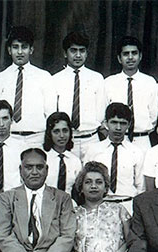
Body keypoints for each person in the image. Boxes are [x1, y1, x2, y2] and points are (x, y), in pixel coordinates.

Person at [0, 26, 55, 148]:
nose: (19, 52)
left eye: (24, 47)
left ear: (31, 49)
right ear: (9, 50)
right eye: (15, 47)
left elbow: (51, 113)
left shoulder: (44, 77)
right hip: (9, 138)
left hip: (37, 139)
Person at [52, 31, 106, 159]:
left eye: (82, 51)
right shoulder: (55, 79)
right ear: (65, 53)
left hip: (91, 139)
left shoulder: (97, 78)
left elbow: (100, 111)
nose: (77, 55)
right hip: (66, 139)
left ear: (87, 53)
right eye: (73, 51)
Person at [83, 103, 144, 215]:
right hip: (100, 204)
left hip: (127, 205)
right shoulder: (94, 150)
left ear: (129, 125)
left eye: (123, 123)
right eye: (114, 122)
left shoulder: (136, 152)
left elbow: (140, 186)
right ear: (106, 123)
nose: (118, 128)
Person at [103, 36, 158, 152]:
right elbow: (104, 114)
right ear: (119, 58)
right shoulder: (109, 83)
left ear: (140, 56)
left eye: (134, 53)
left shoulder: (150, 82)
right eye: (126, 54)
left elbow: (153, 117)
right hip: (117, 138)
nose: (130, 57)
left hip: (142, 139)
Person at [42, 112, 81, 193]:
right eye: (56, 131)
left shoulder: (75, 160)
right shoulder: (43, 158)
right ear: (49, 133)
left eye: (65, 130)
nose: (62, 135)